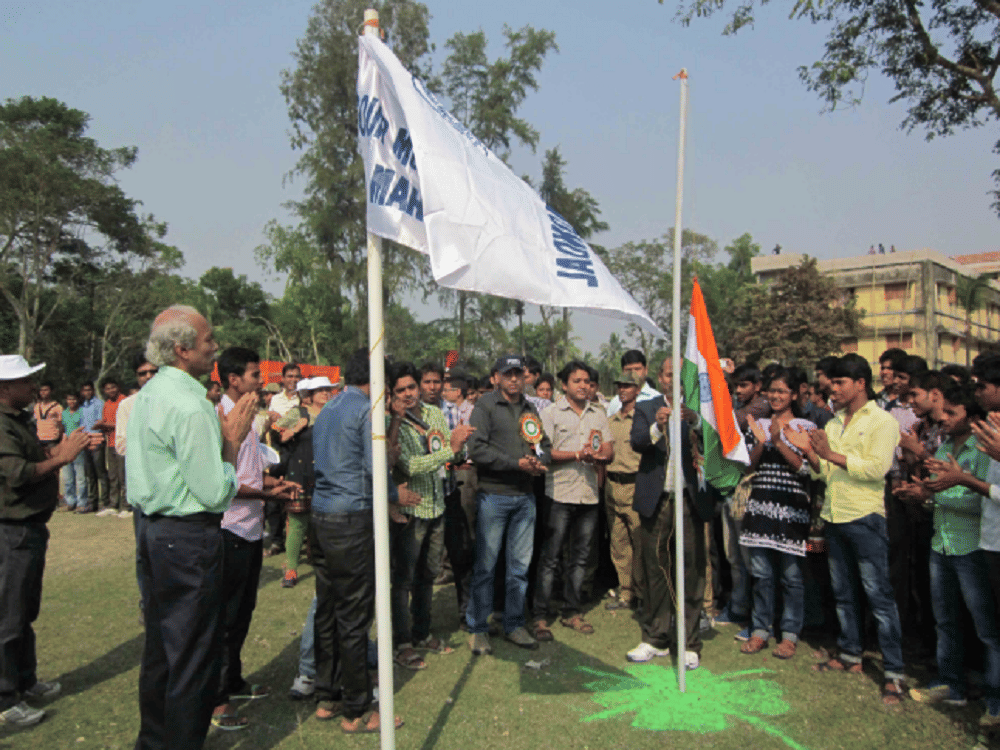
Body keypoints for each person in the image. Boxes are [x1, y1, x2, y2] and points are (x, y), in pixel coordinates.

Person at [128, 304, 258, 750]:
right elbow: (215, 491)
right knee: (192, 659)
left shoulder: (149, 393)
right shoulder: (189, 404)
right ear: (183, 349)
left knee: (162, 654)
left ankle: (154, 741)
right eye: (207, 341)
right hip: (187, 538)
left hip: (152, 530)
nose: (215, 347)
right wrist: (232, 443)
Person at [784, 353, 906, 706]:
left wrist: (829, 455)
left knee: (878, 596)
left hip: (865, 518)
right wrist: (810, 453)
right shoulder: (835, 423)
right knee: (844, 592)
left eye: (839, 383)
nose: (833, 389)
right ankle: (851, 653)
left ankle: (894, 672)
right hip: (835, 517)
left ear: (860, 384)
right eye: (831, 383)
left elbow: (875, 469)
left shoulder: (882, 422)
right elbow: (824, 473)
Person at [310, 348, 405, 732]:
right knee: (353, 615)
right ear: (378, 379)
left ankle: (327, 695)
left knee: (329, 608)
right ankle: (356, 708)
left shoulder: (329, 408)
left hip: (323, 515)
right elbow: (374, 468)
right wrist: (395, 486)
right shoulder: (367, 410)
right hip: (351, 518)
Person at [894, 382, 1000, 721]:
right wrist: (922, 494)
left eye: (952, 413)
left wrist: (942, 491)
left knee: (986, 628)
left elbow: (984, 500)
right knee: (945, 620)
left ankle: (993, 699)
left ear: (972, 417)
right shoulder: (942, 449)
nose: (944, 420)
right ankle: (950, 685)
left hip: (972, 547)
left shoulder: (983, 451)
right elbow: (941, 488)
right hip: (942, 543)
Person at [0, 355, 91, 728]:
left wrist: (56, 451)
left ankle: (25, 680)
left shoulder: (18, 420)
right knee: (9, 616)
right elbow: (18, 474)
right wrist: (62, 459)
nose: (33, 388)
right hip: (12, 530)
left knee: (24, 610)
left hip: (29, 529)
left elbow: (30, 458)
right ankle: (6, 700)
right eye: (25, 382)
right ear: (5, 389)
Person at [211, 347, 298, 731]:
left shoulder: (250, 419)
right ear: (233, 379)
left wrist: (276, 483)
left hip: (250, 530)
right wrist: (267, 495)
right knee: (223, 618)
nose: (260, 382)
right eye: (253, 375)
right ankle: (215, 699)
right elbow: (222, 484)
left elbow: (248, 474)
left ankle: (233, 681)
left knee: (242, 613)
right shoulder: (218, 419)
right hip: (227, 529)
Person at [386, 362, 472, 669]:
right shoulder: (392, 423)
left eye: (412, 387)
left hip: (437, 505)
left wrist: (460, 446)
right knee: (403, 579)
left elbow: (448, 457)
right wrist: (451, 451)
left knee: (427, 576)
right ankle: (401, 642)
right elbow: (410, 466)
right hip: (410, 511)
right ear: (391, 393)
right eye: (401, 390)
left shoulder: (435, 414)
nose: (409, 394)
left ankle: (422, 633)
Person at [627, 356, 710, 667]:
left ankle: (688, 642)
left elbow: (716, 444)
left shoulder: (698, 409)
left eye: (679, 376)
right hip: (657, 500)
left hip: (689, 501)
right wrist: (657, 428)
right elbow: (636, 442)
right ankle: (655, 637)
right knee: (656, 568)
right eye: (668, 375)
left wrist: (696, 422)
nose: (673, 381)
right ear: (660, 379)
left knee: (690, 569)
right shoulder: (647, 408)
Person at [466, 355, 552, 655]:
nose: (514, 378)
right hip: (494, 495)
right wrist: (515, 463)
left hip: (525, 497)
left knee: (519, 567)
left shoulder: (530, 407)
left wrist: (539, 462)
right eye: (508, 374)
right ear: (495, 378)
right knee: (486, 566)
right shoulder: (485, 406)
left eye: (519, 373)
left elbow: (544, 444)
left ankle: (514, 624)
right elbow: (476, 448)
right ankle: (477, 627)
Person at [532, 361, 613, 639]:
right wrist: (578, 455)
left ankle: (571, 611)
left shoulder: (599, 414)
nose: (582, 385)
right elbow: (545, 453)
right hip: (559, 493)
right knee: (551, 557)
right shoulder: (552, 413)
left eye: (586, 381)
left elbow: (609, 449)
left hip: (589, 494)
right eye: (576, 381)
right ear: (564, 385)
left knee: (580, 558)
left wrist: (602, 455)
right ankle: (540, 615)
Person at [739, 368, 816, 659]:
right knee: (760, 574)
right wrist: (761, 441)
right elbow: (748, 467)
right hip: (760, 505)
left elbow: (806, 469)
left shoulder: (804, 426)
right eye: (772, 391)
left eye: (782, 391)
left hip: (791, 508)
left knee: (792, 576)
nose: (776, 396)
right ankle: (760, 630)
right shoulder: (755, 423)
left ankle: (790, 634)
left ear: (794, 395)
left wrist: (779, 441)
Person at [274, 377, 334, 589]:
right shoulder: (298, 413)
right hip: (300, 473)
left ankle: (324, 563)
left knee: (325, 522)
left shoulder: (333, 413)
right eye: (321, 390)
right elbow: (275, 434)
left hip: (327, 474)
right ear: (309, 395)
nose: (326, 393)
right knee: (298, 522)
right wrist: (296, 429)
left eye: (328, 389)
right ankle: (291, 568)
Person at [604, 371, 645, 611]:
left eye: (628, 386)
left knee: (639, 542)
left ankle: (642, 594)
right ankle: (626, 592)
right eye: (620, 385)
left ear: (637, 389)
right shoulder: (610, 421)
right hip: (613, 484)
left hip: (635, 485)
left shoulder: (641, 420)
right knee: (619, 544)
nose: (622, 390)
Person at [95, 378, 126, 517]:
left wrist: (105, 425)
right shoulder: (106, 404)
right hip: (110, 443)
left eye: (113, 387)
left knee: (123, 475)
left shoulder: (124, 401)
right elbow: (107, 422)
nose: (110, 390)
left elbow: (125, 423)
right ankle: (113, 505)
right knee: (112, 475)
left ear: (118, 387)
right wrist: (101, 424)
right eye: (107, 389)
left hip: (123, 444)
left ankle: (126, 506)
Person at [78, 381, 107, 513]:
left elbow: (99, 422)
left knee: (100, 472)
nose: (87, 392)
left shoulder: (98, 404)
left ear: (93, 391)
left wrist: (93, 430)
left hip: (97, 440)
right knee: (90, 475)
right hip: (86, 442)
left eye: (89, 390)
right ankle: (92, 503)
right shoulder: (82, 406)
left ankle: (106, 502)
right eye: (84, 390)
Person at [606, 350, 659, 416]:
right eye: (628, 370)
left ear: (646, 370)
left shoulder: (656, 399)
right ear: (623, 371)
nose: (633, 374)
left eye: (637, 369)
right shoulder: (616, 402)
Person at [60, 392, 87, 513]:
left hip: (79, 447)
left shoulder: (82, 411)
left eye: (74, 399)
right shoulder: (64, 413)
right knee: (68, 477)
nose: (72, 401)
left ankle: (82, 503)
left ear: (77, 400)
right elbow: (63, 429)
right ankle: (70, 502)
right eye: (69, 399)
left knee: (80, 477)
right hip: (67, 448)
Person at [32, 382, 62, 450]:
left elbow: (61, 425)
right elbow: (36, 422)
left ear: (51, 391)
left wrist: (60, 440)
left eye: (46, 390)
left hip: (52, 440)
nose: (43, 392)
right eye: (41, 390)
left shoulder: (58, 406)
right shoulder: (37, 406)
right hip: (39, 440)